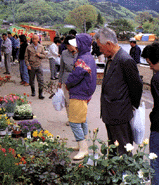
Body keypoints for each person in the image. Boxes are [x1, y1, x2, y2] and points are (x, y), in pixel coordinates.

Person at [94, 27, 143, 156]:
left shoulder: (125, 60)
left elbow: (136, 86)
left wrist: (130, 107)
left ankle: (126, 175)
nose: (100, 50)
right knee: (114, 150)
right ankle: (114, 174)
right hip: (111, 114)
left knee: (123, 151)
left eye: (100, 46)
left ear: (109, 44)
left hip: (120, 114)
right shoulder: (112, 58)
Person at [65, 33, 97, 160]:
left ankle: (83, 148)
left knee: (74, 121)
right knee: (82, 119)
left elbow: (75, 77)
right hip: (85, 93)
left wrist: (67, 84)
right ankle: (82, 145)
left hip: (79, 93)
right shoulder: (88, 57)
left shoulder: (82, 59)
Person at [141, 43, 159, 185]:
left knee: (155, 161)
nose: (150, 67)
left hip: (158, 127)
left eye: (150, 63)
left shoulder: (157, 79)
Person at [58, 35, 77, 126]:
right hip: (66, 79)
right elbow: (61, 68)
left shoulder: (80, 53)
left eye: (70, 45)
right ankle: (71, 119)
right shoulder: (64, 53)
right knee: (68, 100)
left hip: (78, 79)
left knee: (77, 100)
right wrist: (59, 80)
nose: (69, 48)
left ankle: (78, 118)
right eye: (67, 46)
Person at [25, 34, 46, 99]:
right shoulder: (28, 47)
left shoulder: (41, 47)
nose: (34, 40)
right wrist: (28, 65)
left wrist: (39, 55)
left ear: (38, 39)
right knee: (31, 80)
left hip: (39, 65)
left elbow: (44, 55)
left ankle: (40, 94)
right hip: (31, 66)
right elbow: (26, 57)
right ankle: (33, 91)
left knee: (41, 80)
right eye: (33, 38)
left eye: (35, 38)